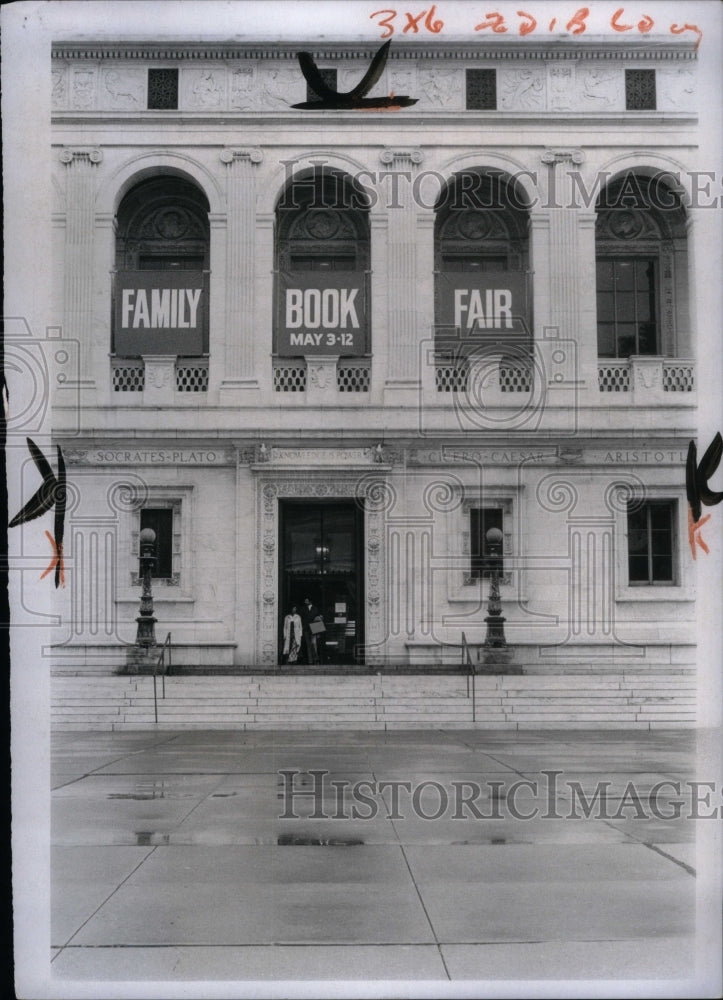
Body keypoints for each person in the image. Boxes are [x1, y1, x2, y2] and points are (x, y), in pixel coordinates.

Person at [302, 597, 324, 665]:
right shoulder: (303, 609)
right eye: (305, 601)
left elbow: (319, 619)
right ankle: (310, 661)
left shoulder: (315, 609)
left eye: (307, 600)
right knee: (308, 645)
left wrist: (318, 632)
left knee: (314, 644)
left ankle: (316, 659)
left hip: (314, 628)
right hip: (306, 629)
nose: (305, 602)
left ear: (310, 601)